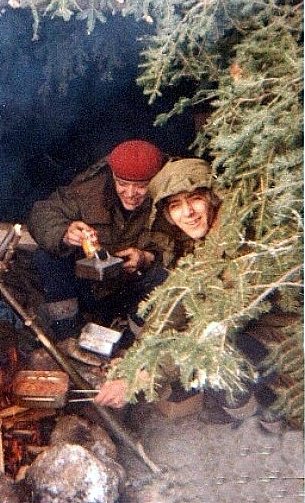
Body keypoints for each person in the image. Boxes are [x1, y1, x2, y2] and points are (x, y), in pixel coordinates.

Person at [94, 159, 284, 417]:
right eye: (175, 205)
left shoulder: (243, 245)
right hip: (245, 338)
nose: (188, 213)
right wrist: (136, 359)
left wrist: (144, 376)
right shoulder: (199, 244)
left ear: (212, 199)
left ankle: (260, 417)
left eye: (195, 199)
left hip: (283, 351)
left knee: (224, 350)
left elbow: (214, 328)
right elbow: (173, 308)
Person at [26, 139, 171, 339]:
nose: (130, 194)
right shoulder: (89, 190)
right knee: (47, 256)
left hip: (135, 291)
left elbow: (185, 248)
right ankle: (66, 331)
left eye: (142, 186)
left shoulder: (172, 197)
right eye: (122, 184)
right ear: (113, 176)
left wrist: (147, 258)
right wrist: (64, 232)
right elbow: (43, 212)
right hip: (91, 288)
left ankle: (133, 344)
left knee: (163, 277)